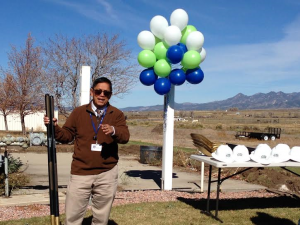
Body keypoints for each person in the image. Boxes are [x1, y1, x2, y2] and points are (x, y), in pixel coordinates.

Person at [44, 77, 130, 225]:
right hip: (80, 172)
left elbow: (125, 137)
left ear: (110, 95)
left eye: (106, 93)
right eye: (98, 91)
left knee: (101, 218)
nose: (102, 95)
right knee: (72, 216)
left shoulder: (116, 114)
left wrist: (114, 130)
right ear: (92, 92)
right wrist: (55, 127)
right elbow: (66, 136)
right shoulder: (78, 112)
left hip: (107, 172)